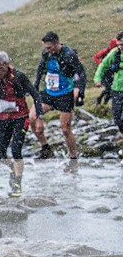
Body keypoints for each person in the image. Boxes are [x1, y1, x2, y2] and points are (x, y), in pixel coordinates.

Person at [0, 51, 43, 197]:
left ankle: (17, 184)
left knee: (16, 149)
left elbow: (35, 95)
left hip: (21, 117)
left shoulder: (18, 77)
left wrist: (39, 117)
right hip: (3, 118)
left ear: (7, 65)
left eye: (0, 68)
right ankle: (13, 168)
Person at [29, 31, 86, 172]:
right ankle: (45, 148)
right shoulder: (46, 54)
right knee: (32, 117)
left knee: (65, 129)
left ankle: (73, 160)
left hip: (65, 94)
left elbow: (81, 73)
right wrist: (35, 86)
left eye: (49, 47)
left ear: (57, 43)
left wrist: (79, 90)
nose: (47, 50)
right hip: (49, 93)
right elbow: (40, 69)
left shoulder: (69, 54)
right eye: (45, 47)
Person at [93, 32, 123, 158]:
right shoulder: (114, 52)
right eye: (119, 44)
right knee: (117, 119)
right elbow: (103, 65)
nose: (121, 47)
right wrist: (97, 78)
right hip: (116, 89)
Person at [93, 37, 118, 105]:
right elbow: (95, 57)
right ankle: (100, 99)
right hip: (105, 72)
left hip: (112, 72)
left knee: (112, 89)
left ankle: (104, 103)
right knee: (108, 88)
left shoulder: (118, 52)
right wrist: (101, 64)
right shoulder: (106, 51)